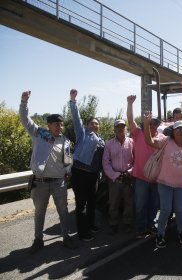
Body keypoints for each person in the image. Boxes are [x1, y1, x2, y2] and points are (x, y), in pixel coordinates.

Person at [19, 90, 76, 254]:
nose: (61, 127)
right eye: (57, 124)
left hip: (59, 183)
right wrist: (24, 103)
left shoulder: (65, 140)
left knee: (63, 211)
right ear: (49, 125)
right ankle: (38, 240)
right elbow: (25, 120)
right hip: (40, 183)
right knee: (39, 213)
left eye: (62, 124)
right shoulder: (39, 134)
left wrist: (68, 173)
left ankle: (66, 237)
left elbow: (67, 160)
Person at [143, 113, 182, 248]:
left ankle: (181, 231)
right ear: (173, 131)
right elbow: (149, 141)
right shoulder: (166, 141)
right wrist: (146, 123)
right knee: (166, 210)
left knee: (180, 210)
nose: (179, 131)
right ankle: (160, 234)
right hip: (164, 183)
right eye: (177, 129)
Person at [127, 95, 165, 239]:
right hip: (141, 178)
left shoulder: (161, 138)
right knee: (141, 204)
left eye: (155, 124)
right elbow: (130, 120)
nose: (153, 126)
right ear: (145, 124)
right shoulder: (138, 134)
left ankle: (151, 225)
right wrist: (130, 103)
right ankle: (141, 228)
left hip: (156, 178)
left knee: (154, 204)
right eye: (150, 123)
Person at [69, 89, 105, 241]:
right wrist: (73, 101)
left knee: (92, 201)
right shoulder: (82, 133)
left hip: (94, 175)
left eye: (97, 123)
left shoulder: (101, 139)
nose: (95, 125)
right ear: (87, 125)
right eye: (92, 123)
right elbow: (76, 119)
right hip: (80, 172)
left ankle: (90, 225)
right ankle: (83, 232)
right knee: (81, 203)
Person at [102, 119, 134, 234]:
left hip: (128, 178)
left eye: (123, 127)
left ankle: (127, 223)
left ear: (126, 129)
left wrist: (129, 172)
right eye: (118, 127)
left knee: (128, 202)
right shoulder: (109, 144)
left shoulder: (132, 142)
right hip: (114, 179)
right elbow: (106, 163)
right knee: (113, 203)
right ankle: (113, 223)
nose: (120, 129)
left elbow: (137, 161)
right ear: (114, 129)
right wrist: (115, 175)